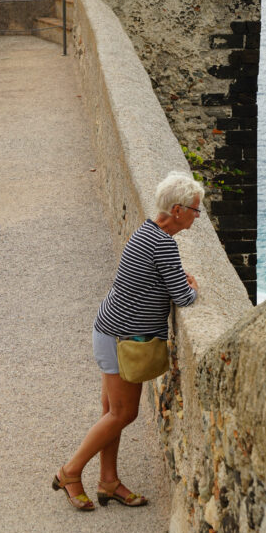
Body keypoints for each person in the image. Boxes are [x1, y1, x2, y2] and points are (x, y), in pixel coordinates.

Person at [53, 171, 203, 511]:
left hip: (110, 329)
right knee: (123, 413)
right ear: (177, 210)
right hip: (122, 338)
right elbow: (183, 297)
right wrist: (192, 286)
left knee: (112, 412)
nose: (198, 215)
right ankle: (70, 472)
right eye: (195, 210)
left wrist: (179, 282)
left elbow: (159, 282)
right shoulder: (163, 243)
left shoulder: (147, 232)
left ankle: (108, 481)